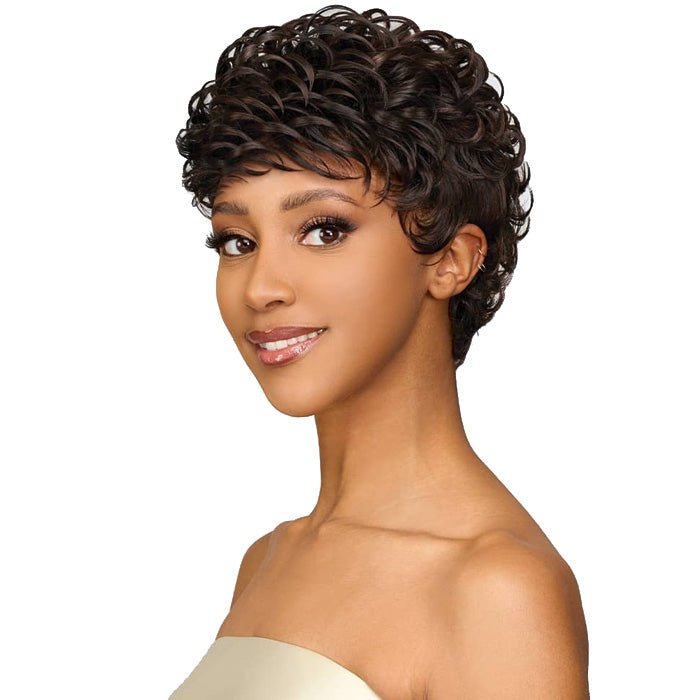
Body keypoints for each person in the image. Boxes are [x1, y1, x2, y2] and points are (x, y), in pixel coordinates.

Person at [170, 4, 589, 698]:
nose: (262, 288)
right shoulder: (268, 560)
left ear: (451, 260)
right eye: (237, 241)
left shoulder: (494, 589)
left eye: (324, 230)